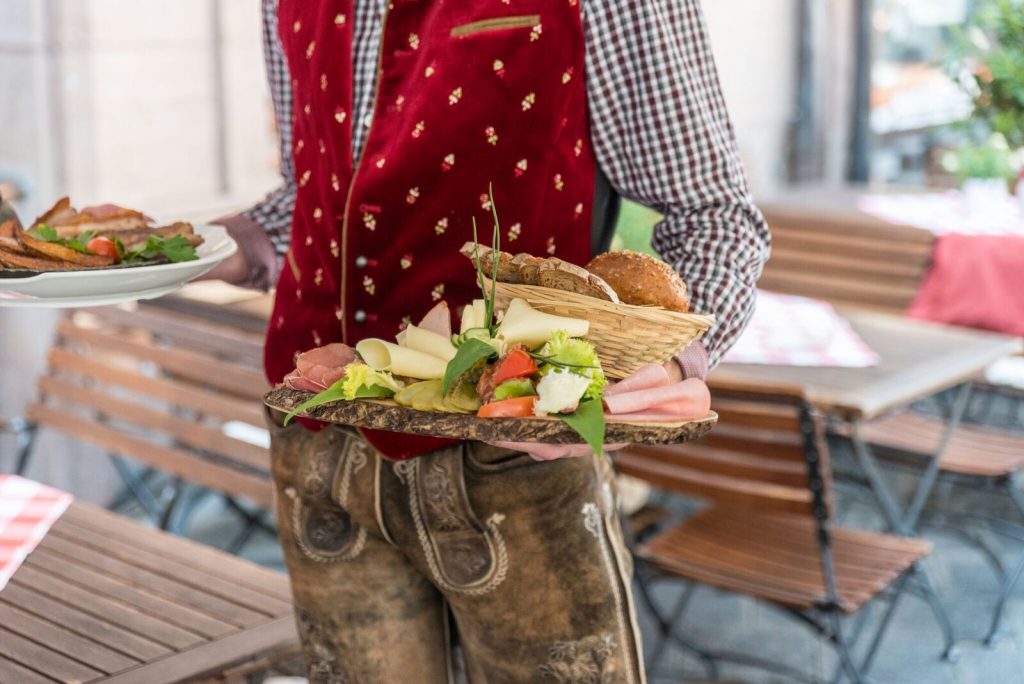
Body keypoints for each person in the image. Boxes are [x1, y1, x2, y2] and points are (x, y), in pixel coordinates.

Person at [212, 0, 770, 681]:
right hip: (319, 438)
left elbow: (711, 215)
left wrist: (664, 365)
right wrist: (213, 245)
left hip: (514, 457)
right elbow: (321, 187)